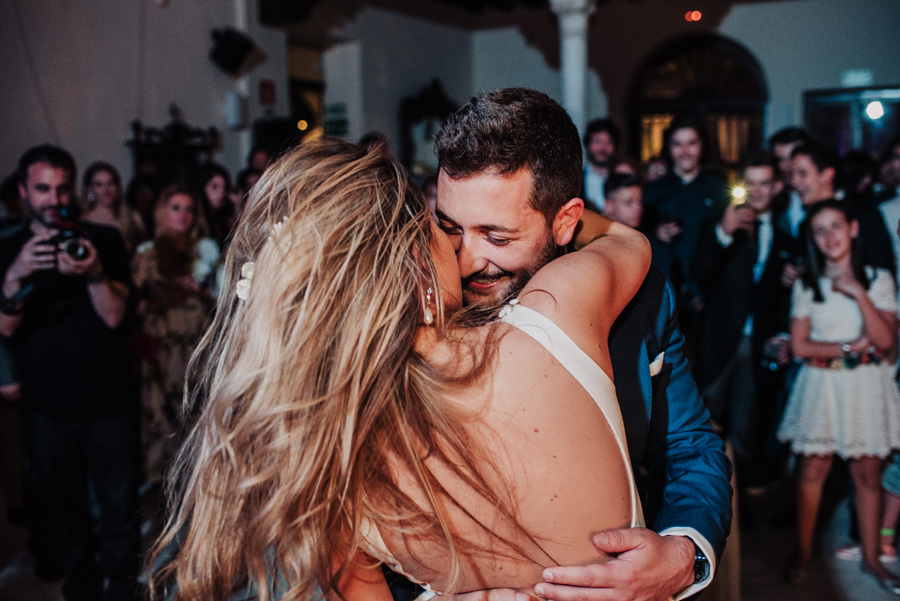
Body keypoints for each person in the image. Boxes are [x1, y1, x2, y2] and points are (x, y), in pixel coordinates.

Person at [150, 137, 652, 599]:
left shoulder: (336, 487)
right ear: (417, 268)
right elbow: (629, 244)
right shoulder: (556, 313)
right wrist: (551, 217)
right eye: (443, 229)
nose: (463, 253)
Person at [433, 88, 731, 601]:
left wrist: (683, 553)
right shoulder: (424, 302)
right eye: (451, 228)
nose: (465, 262)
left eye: (497, 238)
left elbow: (688, 445)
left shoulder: (640, 300)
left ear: (566, 221)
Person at [0, 144, 141, 601]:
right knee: (65, 510)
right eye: (42, 188)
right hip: (45, 405)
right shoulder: (6, 247)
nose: (53, 198)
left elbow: (116, 317)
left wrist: (95, 272)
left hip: (107, 399)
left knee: (120, 508)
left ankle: (121, 590)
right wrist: (16, 276)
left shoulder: (102, 240)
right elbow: (4, 326)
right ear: (24, 191)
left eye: (61, 188)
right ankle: (82, 590)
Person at [776, 200, 900, 591]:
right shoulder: (807, 283)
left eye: (836, 226)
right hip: (823, 386)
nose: (829, 236)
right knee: (812, 470)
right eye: (820, 230)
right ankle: (802, 550)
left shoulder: (878, 279)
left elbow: (885, 341)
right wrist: (852, 345)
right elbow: (799, 347)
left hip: (867, 386)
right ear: (813, 239)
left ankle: (872, 557)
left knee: (867, 474)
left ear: (853, 229)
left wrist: (856, 292)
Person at [692, 152, 798, 494]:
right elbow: (699, 275)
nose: (756, 190)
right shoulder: (719, 222)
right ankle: (698, 494)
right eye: (749, 182)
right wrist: (724, 233)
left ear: (777, 186)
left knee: (747, 424)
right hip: (718, 340)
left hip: (758, 345)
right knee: (704, 420)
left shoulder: (785, 238)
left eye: (764, 182)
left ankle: (736, 504)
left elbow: (781, 300)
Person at [131, 184, 219, 488]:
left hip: (200, 346)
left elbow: (226, 300)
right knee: (163, 420)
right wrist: (169, 292)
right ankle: (166, 495)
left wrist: (202, 292)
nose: (183, 214)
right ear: (162, 211)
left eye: (188, 208)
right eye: (175, 207)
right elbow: (136, 303)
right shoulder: (148, 253)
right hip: (163, 349)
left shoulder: (206, 251)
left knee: (200, 417)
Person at [82, 161, 147, 251]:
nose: (106, 189)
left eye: (111, 183)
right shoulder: (83, 220)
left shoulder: (133, 216)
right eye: (99, 184)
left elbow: (145, 250)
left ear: (118, 186)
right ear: (90, 189)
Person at [581, 118, 621, 213]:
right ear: (587, 145)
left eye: (608, 142)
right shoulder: (576, 179)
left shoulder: (621, 175)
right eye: (597, 141)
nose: (602, 148)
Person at [194, 162, 234, 247]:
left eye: (224, 188)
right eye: (214, 187)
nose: (221, 193)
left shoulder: (222, 217)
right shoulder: (195, 218)